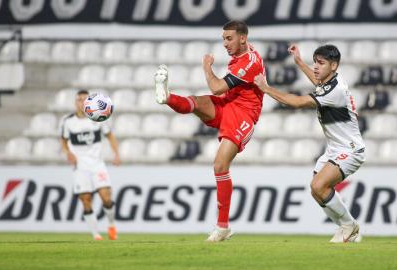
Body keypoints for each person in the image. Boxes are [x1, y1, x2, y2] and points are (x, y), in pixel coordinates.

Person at [154, 20, 265, 242]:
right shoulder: (245, 51)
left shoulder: (249, 62)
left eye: (229, 38)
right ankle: (166, 97)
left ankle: (222, 226)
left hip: (244, 115)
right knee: (196, 102)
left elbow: (216, 87)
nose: (224, 43)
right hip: (229, 105)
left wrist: (206, 66)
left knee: (220, 165)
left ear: (242, 38)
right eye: (223, 38)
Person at [254, 44, 365, 243]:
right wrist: (299, 62)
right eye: (315, 62)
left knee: (319, 185)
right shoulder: (330, 81)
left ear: (333, 65)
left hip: (350, 150)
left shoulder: (335, 90)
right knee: (316, 191)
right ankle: (347, 229)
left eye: (320, 63)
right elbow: (317, 81)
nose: (315, 67)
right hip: (335, 148)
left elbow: (296, 102)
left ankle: (349, 226)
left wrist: (266, 88)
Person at [60, 90, 121, 240]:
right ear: (75, 103)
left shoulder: (99, 118)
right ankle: (95, 234)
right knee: (86, 199)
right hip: (80, 167)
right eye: (79, 100)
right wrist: (68, 153)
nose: (81, 102)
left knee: (106, 197)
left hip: (97, 164)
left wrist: (116, 154)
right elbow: (63, 140)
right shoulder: (68, 122)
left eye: (84, 99)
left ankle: (111, 225)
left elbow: (110, 136)